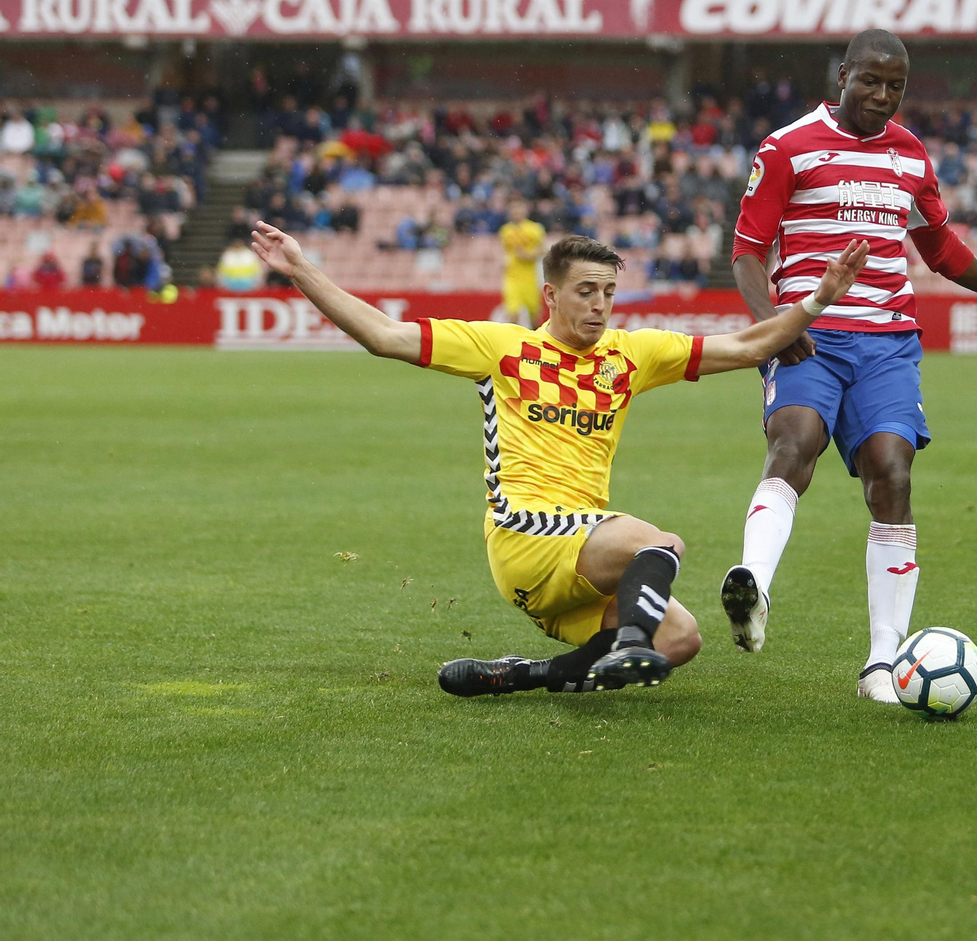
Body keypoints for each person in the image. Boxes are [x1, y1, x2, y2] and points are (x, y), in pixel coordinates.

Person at [248, 221, 869, 696]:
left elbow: (748, 345)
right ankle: (627, 642)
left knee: (682, 639)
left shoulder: (632, 355)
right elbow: (384, 335)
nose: (600, 306)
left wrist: (817, 300)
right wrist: (300, 269)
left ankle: (527, 675)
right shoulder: (503, 349)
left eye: (608, 293)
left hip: (582, 558)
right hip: (523, 534)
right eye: (585, 292)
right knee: (661, 544)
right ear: (551, 295)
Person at [723, 29, 977, 703]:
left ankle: (883, 664)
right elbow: (746, 251)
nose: (883, 96)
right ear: (843, 74)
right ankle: (755, 585)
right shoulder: (788, 146)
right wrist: (774, 327)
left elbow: (939, 247)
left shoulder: (910, 155)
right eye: (871, 81)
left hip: (887, 341)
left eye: (896, 86)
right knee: (795, 441)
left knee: (892, 472)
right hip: (810, 334)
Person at [498, 197, 545, 327]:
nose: (516, 211)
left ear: (525, 210)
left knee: (534, 314)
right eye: (514, 208)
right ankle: (515, 343)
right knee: (513, 313)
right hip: (512, 277)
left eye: (519, 208)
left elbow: (543, 250)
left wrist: (529, 255)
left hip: (530, 278)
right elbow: (503, 251)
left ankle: (536, 339)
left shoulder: (535, 229)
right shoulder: (505, 231)